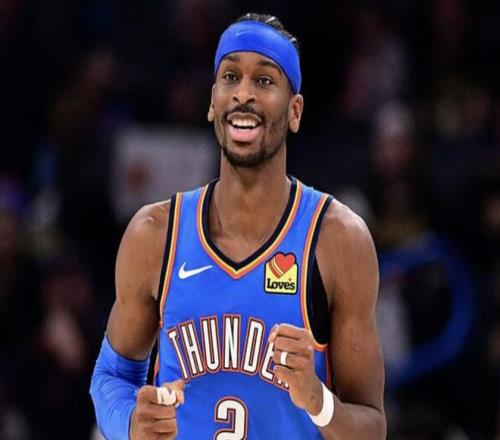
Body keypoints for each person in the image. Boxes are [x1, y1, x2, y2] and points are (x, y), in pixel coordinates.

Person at [90, 12, 386, 439]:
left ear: (295, 111)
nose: (243, 94)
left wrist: (319, 401)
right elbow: (110, 376)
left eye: (264, 81)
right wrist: (131, 423)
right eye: (230, 77)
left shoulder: (337, 239)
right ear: (213, 102)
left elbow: (373, 427)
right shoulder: (155, 234)